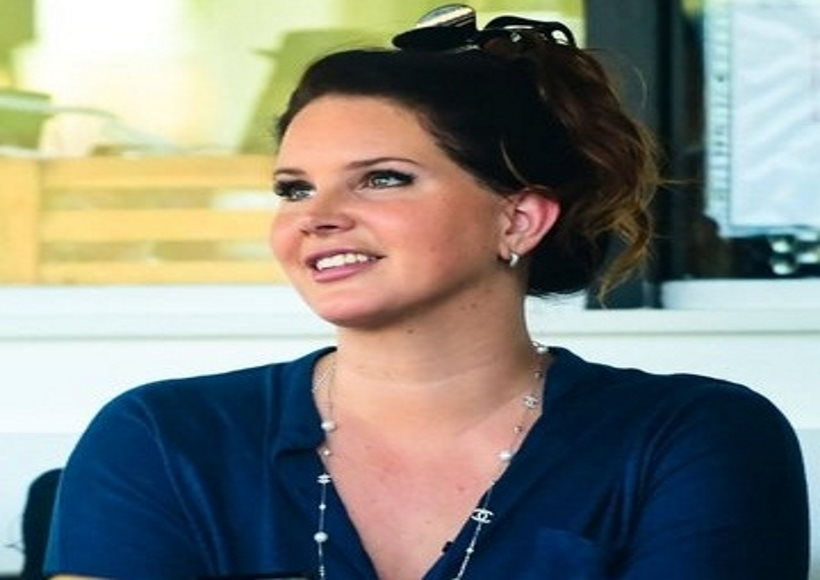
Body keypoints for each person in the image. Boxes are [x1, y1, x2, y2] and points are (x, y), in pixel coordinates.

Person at [45, 4, 808, 579]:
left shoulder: (691, 439)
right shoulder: (164, 438)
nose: (316, 216)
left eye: (382, 178)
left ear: (518, 218)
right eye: (293, 188)